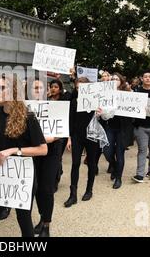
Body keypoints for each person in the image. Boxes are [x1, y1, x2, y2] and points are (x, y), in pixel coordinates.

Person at [0, 75, 47, 237]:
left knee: (24, 218)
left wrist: (14, 150)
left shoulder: (28, 116)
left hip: (22, 175)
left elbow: (42, 149)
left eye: (1, 88)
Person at [28, 78, 64, 237]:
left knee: (47, 188)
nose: (38, 91)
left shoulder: (55, 106)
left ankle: (47, 225)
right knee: (36, 188)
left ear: (47, 90)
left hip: (51, 151)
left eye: (41, 88)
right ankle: (42, 218)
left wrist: (49, 139)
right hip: (34, 152)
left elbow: (61, 129)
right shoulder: (26, 107)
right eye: (35, 88)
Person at [64, 77, 100, 207]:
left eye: (83, 88)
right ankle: (73, 194)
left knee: (91, 163)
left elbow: (106, 116)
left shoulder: (96, 102)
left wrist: (101, 113)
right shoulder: (74, 102)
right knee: (75, 164)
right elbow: (70, 120)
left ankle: (89, 190)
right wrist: (69, 138)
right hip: (77, 136)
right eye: (78, 88)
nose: (80, 91)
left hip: (92, 136)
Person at [98, 73, 133, 189]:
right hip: (110, 126)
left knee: (119, 153)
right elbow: (101, 111)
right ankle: (114, 166)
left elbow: (134, 109)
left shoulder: (128, 93)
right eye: (112, 79)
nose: (114, 80)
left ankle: (118, 178)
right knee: (107, 150)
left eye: (116, 79)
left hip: (123, 128)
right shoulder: (105, 94)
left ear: (121, 81)